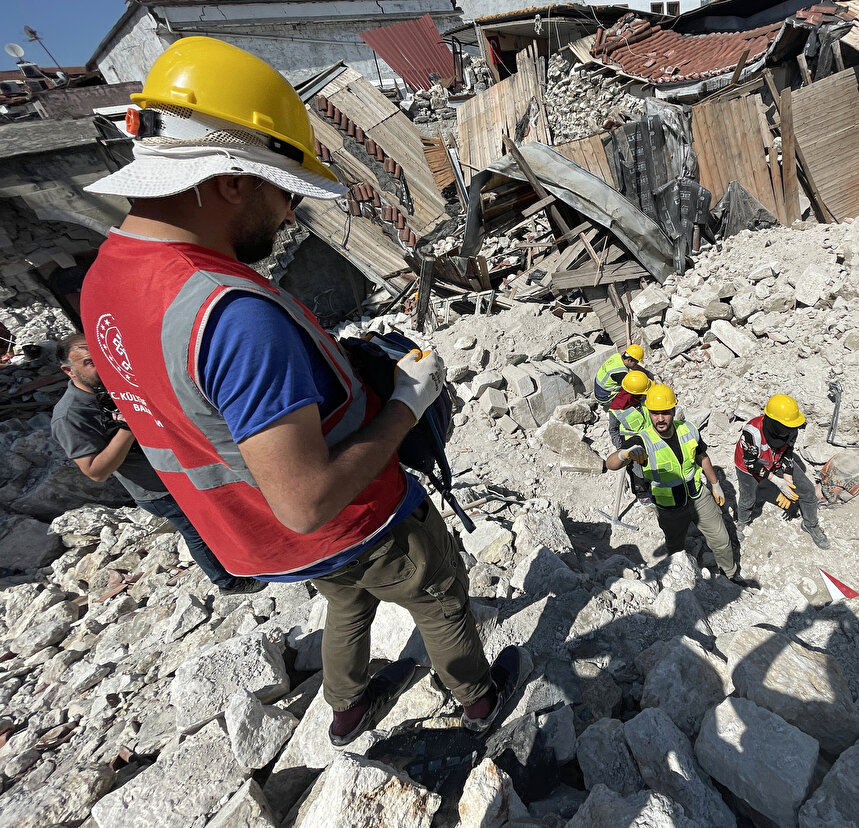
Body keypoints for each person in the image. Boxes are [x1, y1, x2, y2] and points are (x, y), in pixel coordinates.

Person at [80, 36, 513, 747]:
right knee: (435, 593)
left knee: (347, 603)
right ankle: (479, 701)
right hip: (354, 517)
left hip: (265, 539)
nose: (290, 215)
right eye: (285, 192)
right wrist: (405, 405)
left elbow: (198, 402)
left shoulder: (105, 278)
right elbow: (307, 501)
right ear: (231, 182)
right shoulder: (232, 315)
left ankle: (346, 709)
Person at [50, 334, 266, 595]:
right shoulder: (70, 416)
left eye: (102, 357)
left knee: (221, 516)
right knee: (197, 531)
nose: (103, 366)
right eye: (90, 362)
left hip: (182, 467)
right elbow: (96, 471)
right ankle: (228, 583)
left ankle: (251, 559)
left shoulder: (115, 382)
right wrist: (128, 426)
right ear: (68, 371)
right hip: (156, 488)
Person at [603, 383, 739, 581]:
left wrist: (715, 484)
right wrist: (624, 454)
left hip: (698, 496)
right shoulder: (642, 440)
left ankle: (730, 576)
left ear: (674, 410)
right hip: (669, 507)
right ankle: (683, 580)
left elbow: (702, 457)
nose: (660, 418)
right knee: (676, 547)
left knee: (722, 540)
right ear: (649, 413)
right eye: (655, 413)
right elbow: (611, 464)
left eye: (665, 413)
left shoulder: (688, 429)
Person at [733, 394, 829, 549]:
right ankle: (742, 522)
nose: (790, 431)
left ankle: (810, 524)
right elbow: (751, 463)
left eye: (792, 427)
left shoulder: (791, 430)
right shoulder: (752, 433)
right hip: (749, 466)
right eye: (787, 427)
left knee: (808, 490)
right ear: (774, 423)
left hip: (776, 460)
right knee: (748, 498)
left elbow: (788, 452)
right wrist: (777, 482)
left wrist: (787, 478)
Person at [607, 369, 652, 505]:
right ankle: (642, 492)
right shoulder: (617, 409)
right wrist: (621, 449)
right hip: (632, 443)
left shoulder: (643, 397)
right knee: (636, 469)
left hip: (650, 437)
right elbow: (613, 430)